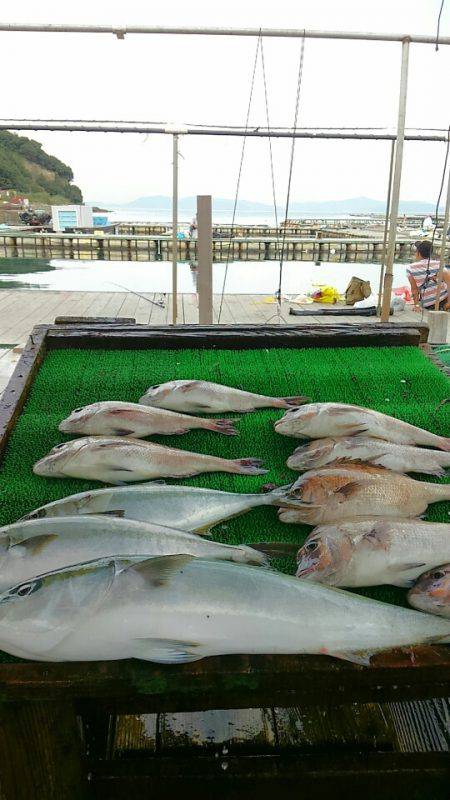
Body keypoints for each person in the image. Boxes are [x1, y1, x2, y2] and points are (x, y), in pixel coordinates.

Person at [406, 240, 450, 312]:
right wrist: (448, 303)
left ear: (418, 253)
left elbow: (414, 290)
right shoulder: (439, 264)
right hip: (444, 300)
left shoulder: (411, 268)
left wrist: (416, 305)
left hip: (429, 305)